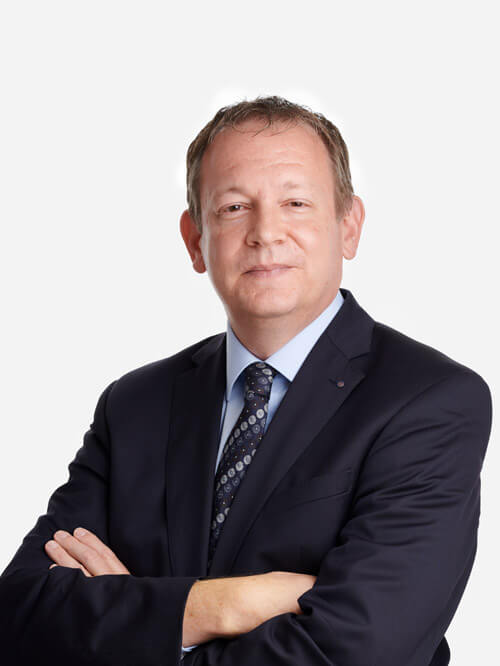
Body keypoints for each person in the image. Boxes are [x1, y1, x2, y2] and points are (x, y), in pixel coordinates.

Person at [0, 96, 492, 666]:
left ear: (349, 226)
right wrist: (224, 605)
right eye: (234, 207)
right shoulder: (134, 405)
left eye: (295, 203)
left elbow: (361, 650)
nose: (265, 232)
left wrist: (135, 624)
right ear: (195, 240)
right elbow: (18, 614)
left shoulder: (430, 402)